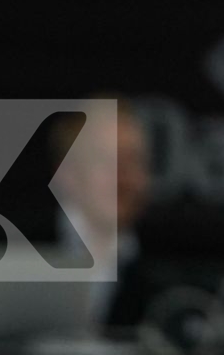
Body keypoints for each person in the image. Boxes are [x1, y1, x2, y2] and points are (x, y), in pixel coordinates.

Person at [45, 98, 155, 330]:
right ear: (67, 172)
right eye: (107, 159)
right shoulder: (8, 249)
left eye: (134, 160)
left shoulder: (164, 271)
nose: (123, 175)